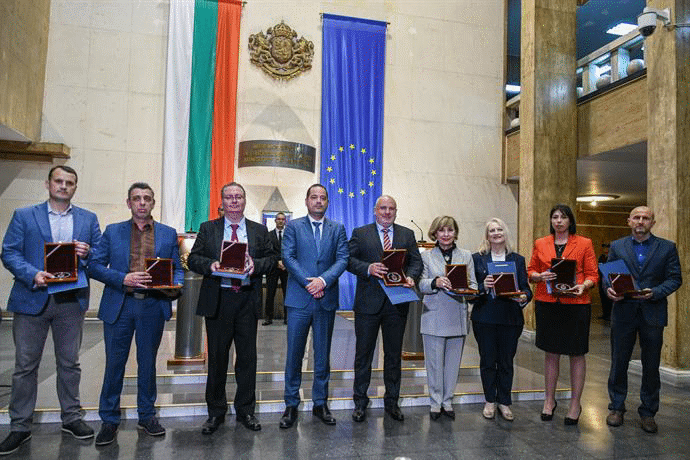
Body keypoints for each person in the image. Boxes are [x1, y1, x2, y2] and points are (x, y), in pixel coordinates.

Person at [0, 165, 101, 455]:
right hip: (33, 298)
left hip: (70, 301)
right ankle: (20, 426)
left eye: (69, 182)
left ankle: (71, 418)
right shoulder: (24, 216)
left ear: (75, 187)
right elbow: (9, 252)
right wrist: (32, 273)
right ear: (48, 184)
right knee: (25, 366)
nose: (63, 186)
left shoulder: (87, 219)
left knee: (70, 363)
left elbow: (98, 258)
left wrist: (88, 253)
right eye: (58, 181)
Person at [88, 182, 183, 445]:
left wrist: (177, 285)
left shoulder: (167, 233)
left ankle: (147, 415)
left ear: (153, 203)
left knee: (147, 364)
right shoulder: (113, 231)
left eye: (147, 199)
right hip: (120, 303)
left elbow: (177, 269)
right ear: (128, 203)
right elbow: (94, 266)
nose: (142, 203)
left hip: (151, 305)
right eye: (136, 198)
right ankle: (109, 419)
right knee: (114, 364)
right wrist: (123, 278)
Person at [188, 182, 277, 434]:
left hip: (247, 299)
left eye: (238, 197)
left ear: (245, 201)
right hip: (219, 299)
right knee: (217, 358)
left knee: (247, 358)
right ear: (222, 201)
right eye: (229, 197)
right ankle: (216, 412)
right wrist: (211, 265)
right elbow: (193, 259)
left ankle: (246, 411)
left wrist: (255, 266)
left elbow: (272, 260)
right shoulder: (208, 229)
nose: (234, 201)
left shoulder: (259, 231)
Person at [605, 206, 681, 434]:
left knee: (651, 365)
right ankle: (616, 407)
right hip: (623, 312)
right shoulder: (618, 246)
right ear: (629, 221)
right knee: (619, 362)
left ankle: (648, 412)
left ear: (652, 222)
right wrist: (609, 290)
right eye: (636, 217)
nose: (640, 221)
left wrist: (655, 292)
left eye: (645, 218)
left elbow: (675, 278)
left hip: (653, 313)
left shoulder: (667, 248)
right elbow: (609, 275)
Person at [348, 195, 422, 422]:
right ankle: (360, 402)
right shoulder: (361, 233)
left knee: (393, 356)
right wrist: (368, 268)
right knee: (363, 356)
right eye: (383, 208)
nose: (387, 212)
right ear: (375, 210)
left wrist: (411, 276)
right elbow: (348, 260)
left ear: (396, 211)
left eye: (391, 208)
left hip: (397, 303)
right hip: (368, 304)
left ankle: (392, 402)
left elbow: (416, 262)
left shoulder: (406, 235)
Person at [279, 184, 348, 428]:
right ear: (306, 200)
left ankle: (320, 403)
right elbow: (288, 257)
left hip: (325, 299)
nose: (318, 201)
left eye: (323, 198)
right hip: (299, 299)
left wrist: (323, 281)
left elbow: (342, 258)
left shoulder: (337, 228)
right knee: (294, 354)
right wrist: (309, 282)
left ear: (327, 202)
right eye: (314, 197)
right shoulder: (293, 227)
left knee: (322, 355)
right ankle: (290, 404)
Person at [528, 204, 597, 425]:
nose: (558, 221)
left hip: (576, 303)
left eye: (563, 217)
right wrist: (539, 275)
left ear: (570, 221)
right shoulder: (541, 243)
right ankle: (549, 400)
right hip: (548, 303)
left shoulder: (584, 243)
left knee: (576, 353)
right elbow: (530, 271)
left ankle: (575, 404)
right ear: (551, 221)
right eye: (555, 217)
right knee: (551, 352)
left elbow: (593, 274)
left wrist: (584, 285)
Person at [472, 218, 532, 421]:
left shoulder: (518, 259)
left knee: (506, 362)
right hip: (484, 317)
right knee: (488, 361)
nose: (496, 233)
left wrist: (524, 296)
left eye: (500, 229)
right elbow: (472, 290)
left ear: (505, 233)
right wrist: (484, 286)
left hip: (510, 318)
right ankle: (490, 400)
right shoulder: (477, 259)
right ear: (487, 236)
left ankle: (504, 402)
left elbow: (526, 289)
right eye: (492, 230)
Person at [418, 216, 476, 420]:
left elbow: (474, 287)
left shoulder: (467, 255)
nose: (445, 234)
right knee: (434, 364)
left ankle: (448, 401)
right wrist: (435, 282)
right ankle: (435, 403)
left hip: (457, 316)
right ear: (434, 233)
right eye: (441, 230)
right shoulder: (426, 256)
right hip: (434, 315)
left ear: (455, 233)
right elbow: (420, 284)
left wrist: (466, 290)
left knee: (452, 364)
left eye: (450, 230)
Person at [264, 212, 288, 325]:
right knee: (270, 293)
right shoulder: (268, 235)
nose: (280, 221)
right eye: (278, 219)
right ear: (275, 220)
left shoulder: (289, 235)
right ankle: (268, 318)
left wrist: (284, 262)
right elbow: (268, 251)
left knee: (287, 294)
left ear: (285, 221)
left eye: (282, 219)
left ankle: (287, 318)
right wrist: (277, 262)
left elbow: (291, 250)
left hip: (286, 268)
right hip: (273, 268)